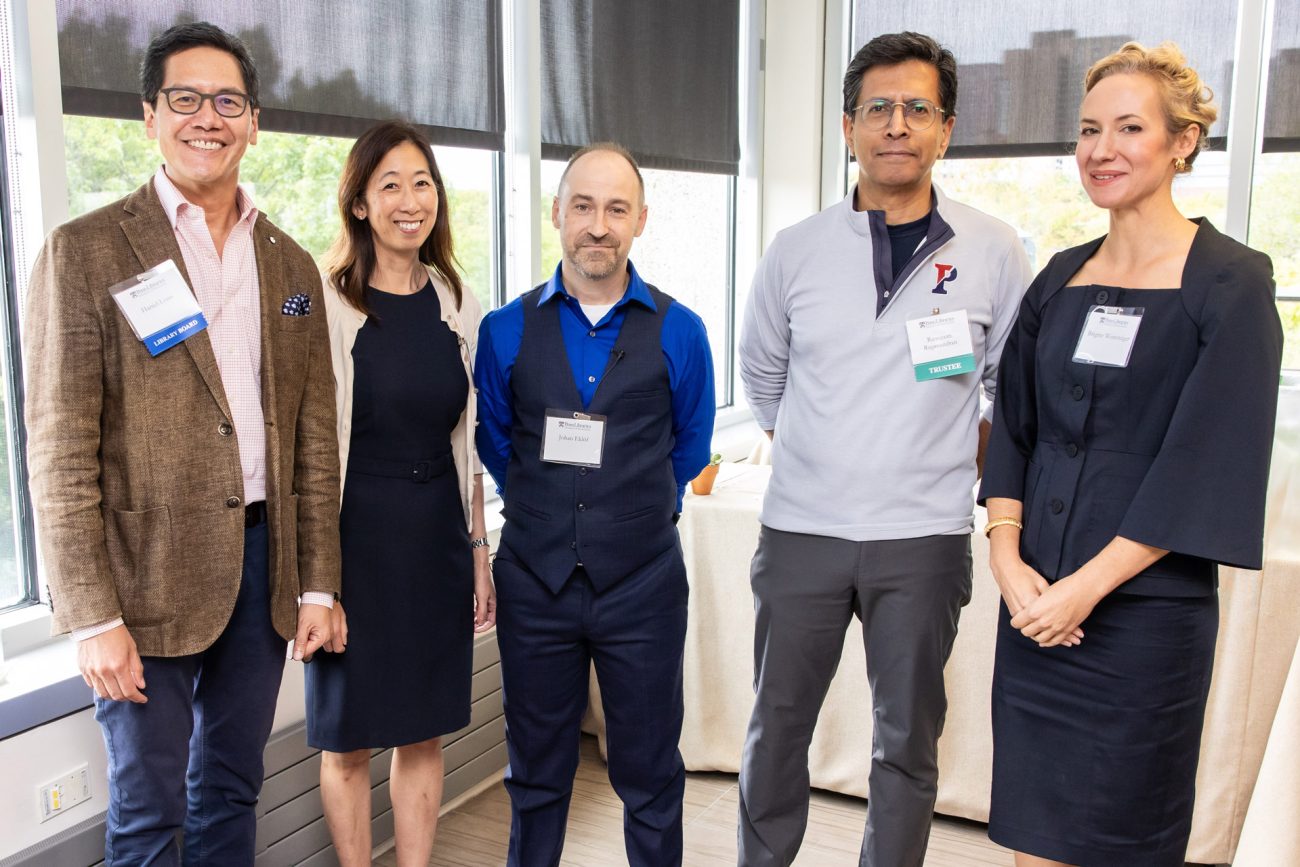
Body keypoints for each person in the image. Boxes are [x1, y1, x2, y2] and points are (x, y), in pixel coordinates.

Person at [23, 22, 340, 864]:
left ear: (254, 121)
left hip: (264, 569)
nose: (209, 117)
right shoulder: (86, 252)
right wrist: (92, 615)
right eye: (186, 98)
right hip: (142, 575)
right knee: (147, 807)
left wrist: (316, 582)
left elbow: (312, 438)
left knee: (233, 787)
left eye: (228, 100)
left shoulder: (291, 268)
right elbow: (58, 449)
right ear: (149, 116)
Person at [979, 42, 1282, 867]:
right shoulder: (1059, 277)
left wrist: (1085, 589)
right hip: (1035, 611)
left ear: (1182, 142)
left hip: (1141, 626)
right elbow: (1014, 428)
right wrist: (1008, 560)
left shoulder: (1233, 282)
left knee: (1117, 844)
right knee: (1032, 847)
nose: (1100, 149)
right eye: (1087, 130)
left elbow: (1205, 465)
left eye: (1128, 128)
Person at [737, 31, 1033, 867]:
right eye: (878, 108)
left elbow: (1010, 390)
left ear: (944, 130)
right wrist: (829, 446)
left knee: (906, 740)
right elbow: (764, 376)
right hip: (802, 532)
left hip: (925, 539)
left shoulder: (993, 248)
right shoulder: (795, 248)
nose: (896, 125)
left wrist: (932, 456)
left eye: (917, 109)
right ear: (848, 127)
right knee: (777, 729)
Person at [475, 142, 715, 867]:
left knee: (648, 771)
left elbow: (690, 447)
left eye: (616, 208)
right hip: (534, 583)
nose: (599, 225)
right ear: (557, 214)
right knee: (537, 772)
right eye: (583, 206)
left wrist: (625, 515)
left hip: (642, 586)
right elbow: (496, 443)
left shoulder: (681, 330)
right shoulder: (504, 329)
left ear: (640, 219)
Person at [305, 120, 496, 867]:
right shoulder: (324, 302)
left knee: (424, 728)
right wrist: (316, 582)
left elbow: (471, 444)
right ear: (359, 203)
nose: (410, 200)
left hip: (434, 539)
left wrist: (479, 550)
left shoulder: (456, 298)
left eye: (423, 183)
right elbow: (308, 452)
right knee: (347, 736)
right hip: (354, 542)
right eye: (390, 184)